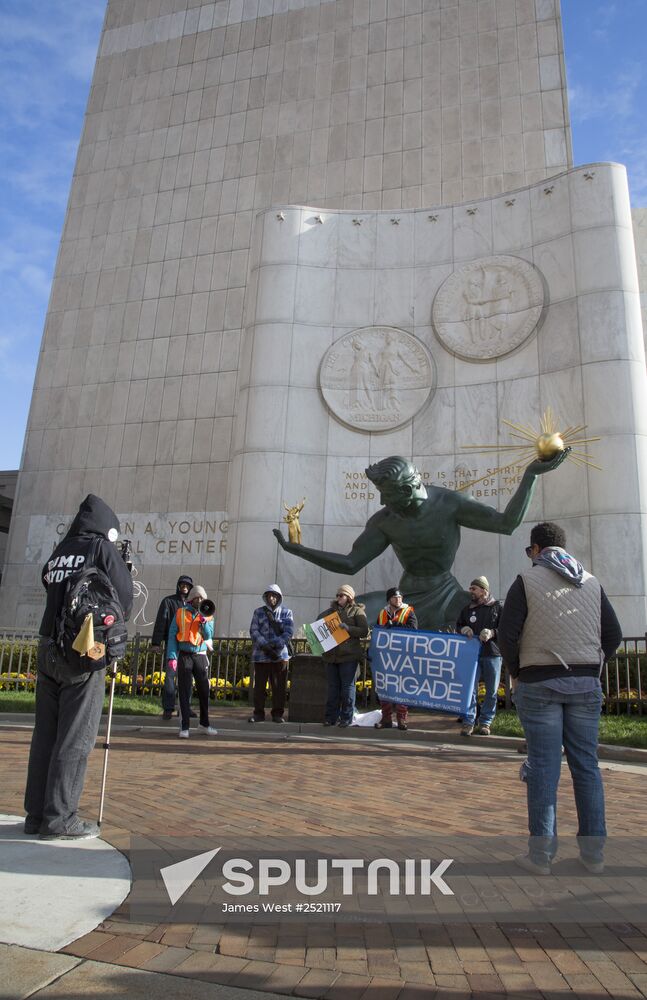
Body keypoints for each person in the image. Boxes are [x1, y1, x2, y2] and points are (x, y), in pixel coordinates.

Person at [274, 452, 568, 630]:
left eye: (386, 494)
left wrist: (530, 474)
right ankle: (344, 691)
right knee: (329, 623)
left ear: (408, 489)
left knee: (493, 623)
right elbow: (351, 564)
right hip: (403, 599)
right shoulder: (385, 520)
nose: (381, 500)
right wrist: (299, 550)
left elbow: (507, 524)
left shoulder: (450, 504)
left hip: (449, 596)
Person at [497, 521, 622, 876]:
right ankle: (594, 854)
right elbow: (612, 633)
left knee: (543, 768)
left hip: (539, 682)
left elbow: (507, 635)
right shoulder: (592, 582)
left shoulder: (526, 581)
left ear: (536, 550)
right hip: (584, 683)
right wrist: (592, 663)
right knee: (587, 767)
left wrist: (517, 671)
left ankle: (540, 856)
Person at [24, 494, 133, 840]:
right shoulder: (101, 549)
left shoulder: (61, 549)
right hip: (81, 649)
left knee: (46, 734)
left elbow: (46, 580)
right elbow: (124, 597)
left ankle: (36, 815)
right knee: (76, 735)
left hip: (47, 646)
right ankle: (60, 818)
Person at [167, 585, 218, 739]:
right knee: (184, 690)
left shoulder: (208, 615)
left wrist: (203, 622)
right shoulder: (181, 613)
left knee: (204, 690)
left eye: (202, 598)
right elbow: (172, 635)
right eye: (197, 598)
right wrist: (172, 657)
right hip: (184, 655)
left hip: (200, 655)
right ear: (191, 599)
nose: (200, 601)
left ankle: (204, 724)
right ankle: (184, 726)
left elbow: (209, 635)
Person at [456, 576, 502, 737]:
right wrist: (464, 629)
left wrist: (493, 632)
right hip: (472, 656)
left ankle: (485, 722)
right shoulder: (467, 610)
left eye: (474, 588)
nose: (471, 591)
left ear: (484, 590)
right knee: (470, 690)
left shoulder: (497, 607)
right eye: (470, 588)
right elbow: (459, 624)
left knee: (491, 691)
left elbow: (505, 628)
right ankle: (469, 721)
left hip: (492, 654)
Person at [319, 585, 369, 728]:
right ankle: (330, 718)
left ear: (349, 597)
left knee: (347, 688)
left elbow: (364, 631)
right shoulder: (329, 612)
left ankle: (346, 718)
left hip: (349, 656)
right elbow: (318, 627)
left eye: (342, 595)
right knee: (333, 688)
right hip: (331, 656)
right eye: (338, 595)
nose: (339, 597)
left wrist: (349, 629)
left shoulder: (357, 611)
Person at [248, 585, 294, 723]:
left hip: (280, 656)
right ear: (266, 597)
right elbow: (254, 630)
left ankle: (277, 714)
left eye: (275, 595)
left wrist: (275, 644)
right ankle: (258, 714)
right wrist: (265, 645)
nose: (272, 598)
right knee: (259, 687)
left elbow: (288, 632)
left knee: (279, 687)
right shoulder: (258, 612)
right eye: (269, 595)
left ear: (279, 597)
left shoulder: (287, 612)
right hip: (261, 655)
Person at [150, 574, 193, 719]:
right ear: (178, 586)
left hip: (188, 646)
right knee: (170, 676)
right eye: (183, 585)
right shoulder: (168, 601)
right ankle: (168, 708)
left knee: (187, 678)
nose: (185, 587)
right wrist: (156, 643)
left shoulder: (192, 605)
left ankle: (186, 708)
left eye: (187, 585)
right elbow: (161, 622)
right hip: (172, 645)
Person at [375, 587, 418, 730]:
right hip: (386, 656)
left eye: (400, 597)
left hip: (403, 656)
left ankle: (401, 719)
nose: (398, 600)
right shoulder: (382, 613)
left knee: (402, 687)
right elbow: (377, 632)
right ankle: (386, 718)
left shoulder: (408, 612)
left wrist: (398, 625)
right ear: (389, 600)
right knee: (384, 687)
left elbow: (414, 630)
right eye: (395, 597)